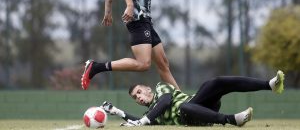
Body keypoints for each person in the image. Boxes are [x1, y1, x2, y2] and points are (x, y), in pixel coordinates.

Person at [101, 70, 285, 127]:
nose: (139, 98)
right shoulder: (151, 114)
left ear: (147, 89)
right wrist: (117, 112)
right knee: (185, 109)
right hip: (190, 115)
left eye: (139, 92)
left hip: (200, 105)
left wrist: (142, 120)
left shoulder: (160, 88)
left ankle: (269, 84)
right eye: (135, 97)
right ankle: (230, 119)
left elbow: (165, 102)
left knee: (216, 82)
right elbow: (138, 120)